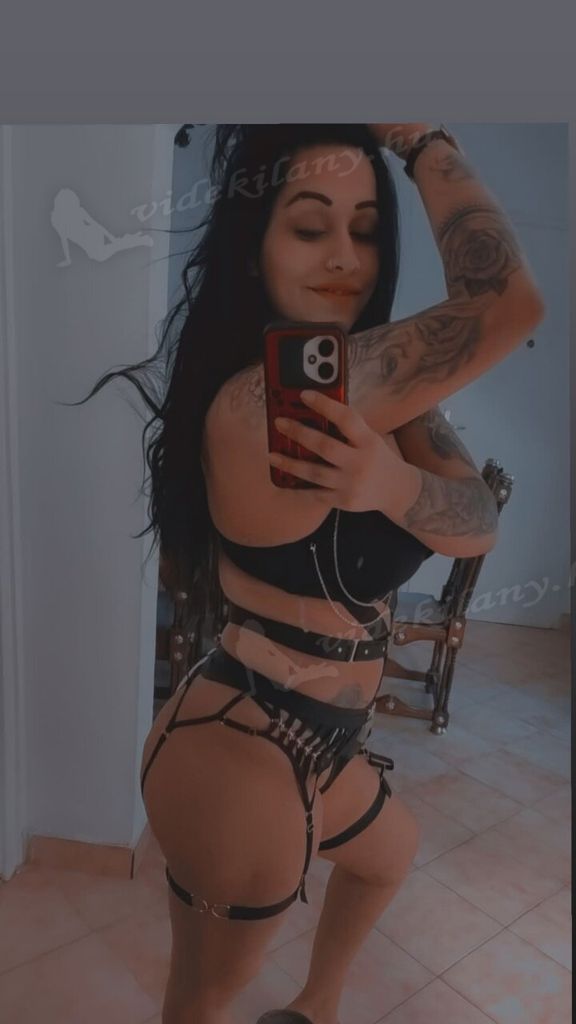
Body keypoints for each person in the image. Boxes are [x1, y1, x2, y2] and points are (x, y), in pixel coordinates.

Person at [74, 124, 544, 1024]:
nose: (344, 257)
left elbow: (478, 521)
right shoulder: (259, 400)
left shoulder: (380, 394)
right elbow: (507, 303)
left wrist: (389, 484)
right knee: (204, 998)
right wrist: (418, 139)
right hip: (242, 747)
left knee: (387, 855)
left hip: (323, 739)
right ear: (255, 248)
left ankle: (316, 1008)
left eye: (366, 230)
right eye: (308, 225)